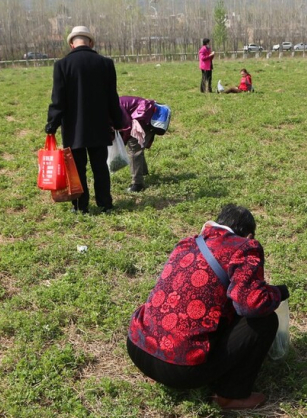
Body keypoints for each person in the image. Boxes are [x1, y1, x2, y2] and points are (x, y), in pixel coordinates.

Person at [127, 204, 289, 411]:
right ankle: (231, 396)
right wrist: (277, 292)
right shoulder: (245, 248)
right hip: (181, 370)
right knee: (265, 321)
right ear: (248, 236)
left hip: (138, 349)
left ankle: (159, 371)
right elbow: (251, 305)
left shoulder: (187, 243)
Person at [45, 25, 127, 214]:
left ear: (72, 44)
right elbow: (112, 97)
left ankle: (81, 206)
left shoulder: (62, 65)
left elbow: (58, 100)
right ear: (90, 43)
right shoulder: (106, 64)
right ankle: (105, 204)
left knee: (77, 169)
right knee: (100, 168)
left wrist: (52, 125)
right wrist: (118, 121)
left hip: (74, 130)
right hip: (99, 126)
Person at [118, 95, 162, 193]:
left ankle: (137, 184)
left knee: (134, 149)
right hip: (144, 114)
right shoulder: (109, 105)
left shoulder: (112, 108)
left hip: (144, 116)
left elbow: (127, 127)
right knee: (137, 147)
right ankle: (143, 172)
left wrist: (122, 143)